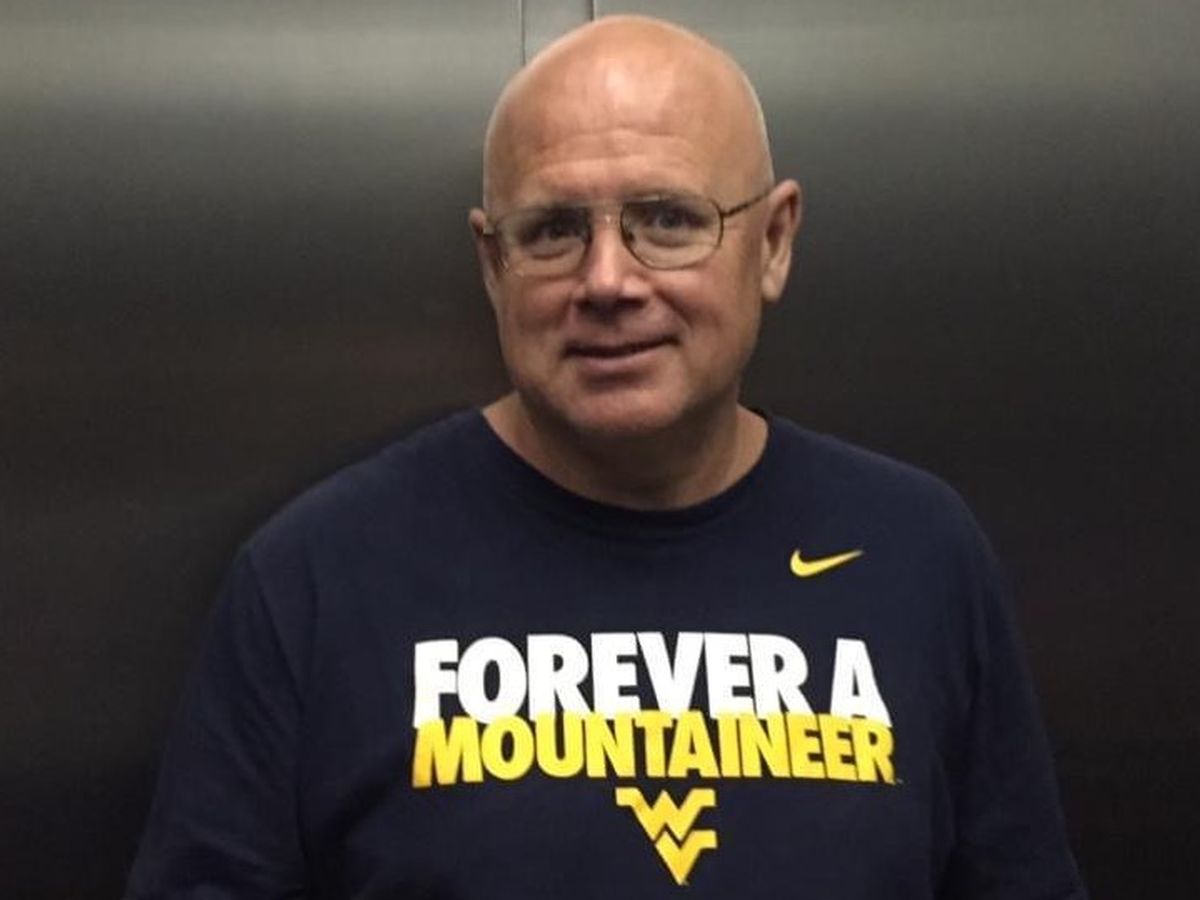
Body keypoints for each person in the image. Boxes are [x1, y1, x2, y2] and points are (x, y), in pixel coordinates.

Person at [127, 15, 1087, 899]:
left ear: (773, 242)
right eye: (553, 230)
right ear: (492, 265)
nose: (608, 280)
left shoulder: (917, 553)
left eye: (668, 220)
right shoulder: (317, 578)